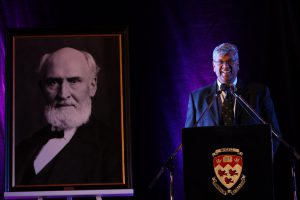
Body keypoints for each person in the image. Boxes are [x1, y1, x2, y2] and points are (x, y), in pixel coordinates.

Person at [15, 47, 122, 185]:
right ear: (42, 88)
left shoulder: (115, 149)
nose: (63, 94)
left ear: (93, 86)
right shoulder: (23, 148)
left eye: (73, 81)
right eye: (53, 82)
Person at [185, 42, 281, 151]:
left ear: (238, 64)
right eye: (221, 62)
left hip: (251, 165)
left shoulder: (259, 93)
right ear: (213, 66)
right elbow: (189, 140)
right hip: (211, 165)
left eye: (230, 61)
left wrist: (262, 161)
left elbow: (274, 134)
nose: (225, 66)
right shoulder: (197, 98)